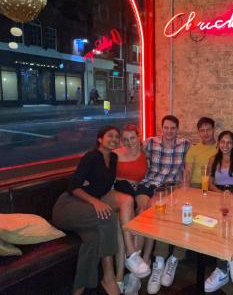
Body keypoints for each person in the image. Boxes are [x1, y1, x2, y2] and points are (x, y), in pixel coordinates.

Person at [51, 126, 124, 295]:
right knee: (109, 218)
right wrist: (95, 202)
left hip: (85, 209)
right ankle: (109, 277)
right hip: (68, 206)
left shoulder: (113, 158)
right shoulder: (91, 157)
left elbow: (104, 184)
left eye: (116, 137)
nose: (114, 139)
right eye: (110, 136)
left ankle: (78, 290)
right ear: (100, 139)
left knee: (94, 239)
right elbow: (73, 186)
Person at [142, 115, 190, 294]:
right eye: (166, 128)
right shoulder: (150, 143)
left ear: (177, 129)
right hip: (151, 185)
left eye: (173, 128)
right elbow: (133, 152)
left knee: (185, 214)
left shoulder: (185, 144)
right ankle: (158, 261)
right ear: (162, 128)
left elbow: (192, 163)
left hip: (172, 189)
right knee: (152, 213)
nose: (169, 131)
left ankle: (173, 260)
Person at [204, 131, 233, 292]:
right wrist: (222, 196)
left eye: (229, 142)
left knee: (230, 223)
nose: (225, 145)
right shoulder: (212, 160)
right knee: (217, 225)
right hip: (218, 195)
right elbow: (209, 183)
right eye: (222, 142)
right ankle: (231, 264)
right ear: (218, 143)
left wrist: (231, 198)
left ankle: (224, 268)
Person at [112, 124, 153, 294]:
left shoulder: (145, 153)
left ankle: (134, 273)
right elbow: (106, 177)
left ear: (139, 137)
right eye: (126, 139)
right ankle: (120, 278)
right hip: (118, 195)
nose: (129, 142)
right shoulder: (116, 155)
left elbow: (149, 176)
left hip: (137, 193)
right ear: (122, 141)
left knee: (144, 216)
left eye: (133, 138)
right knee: (123, 228)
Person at [184, 117, 217, 188]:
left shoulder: (221, 148)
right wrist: (187, 189)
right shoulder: (193, 149)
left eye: (208, 130)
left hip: (213, 186)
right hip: (196, 185)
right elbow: (188, 172)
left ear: (214, 130)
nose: (206, 133)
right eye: (202, 130)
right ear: (198, 132)